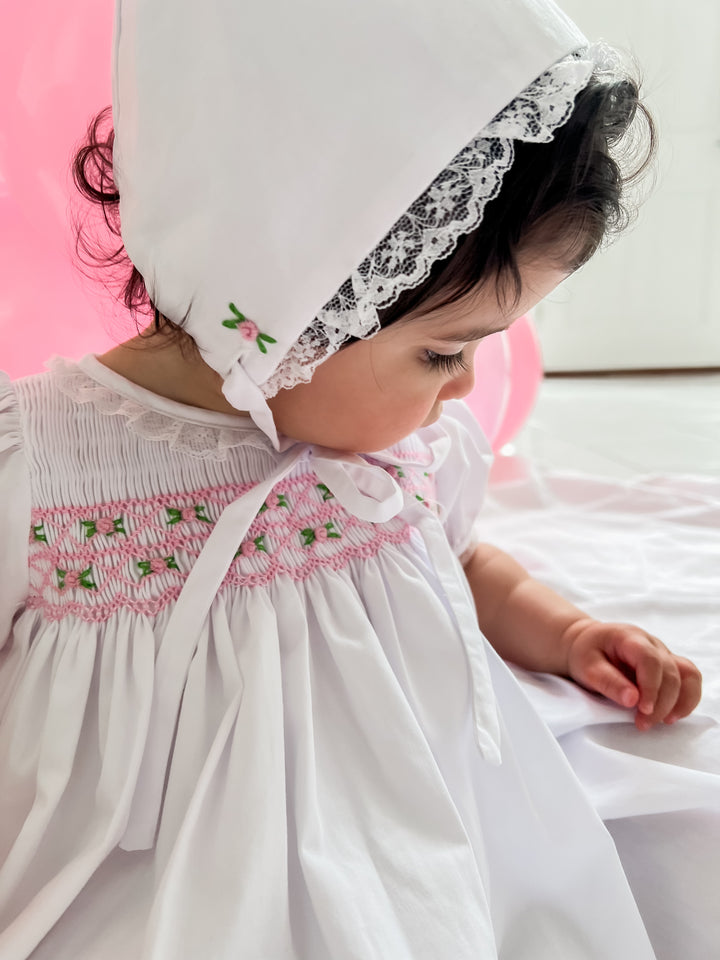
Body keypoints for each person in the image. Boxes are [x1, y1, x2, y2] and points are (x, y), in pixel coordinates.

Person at [0, 1, 708, 957]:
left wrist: (568, 632)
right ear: (292, 297)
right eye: (442, 353)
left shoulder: (388, 448)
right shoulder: (43, 472)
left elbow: (457, 564)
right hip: (163, 884)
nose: (464, 389)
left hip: (418, 844)